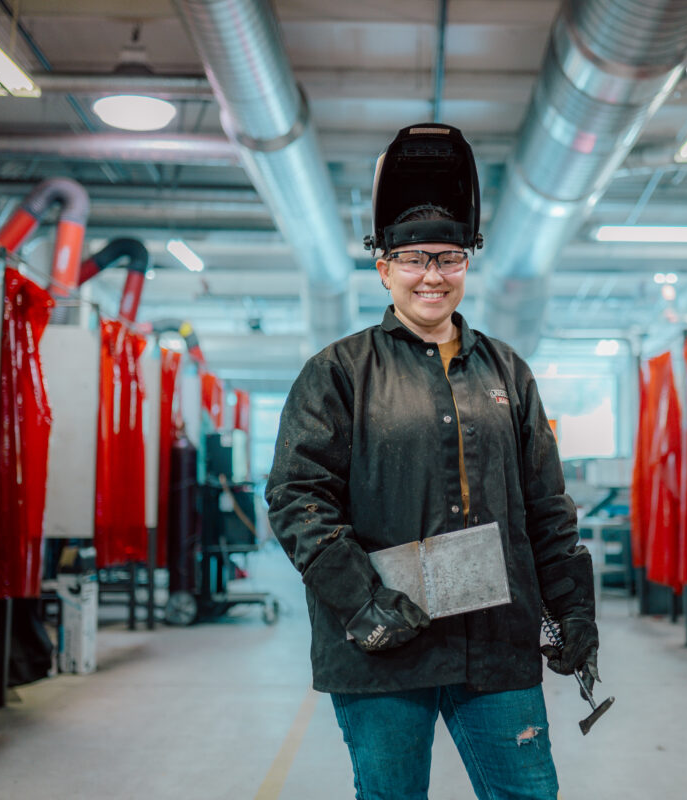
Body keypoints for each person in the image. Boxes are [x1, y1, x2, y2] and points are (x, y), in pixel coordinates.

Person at [266, 123, 598, 800]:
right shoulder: (337, 373)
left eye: (448, 258)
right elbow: (298, 498)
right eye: (414, 259)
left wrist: (574, 606)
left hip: (496, 643)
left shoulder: (509, 372)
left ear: (467, 264)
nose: (432, 275)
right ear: (383, 267)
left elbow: (546, 504)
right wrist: (364, 600)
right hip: (383, 647)